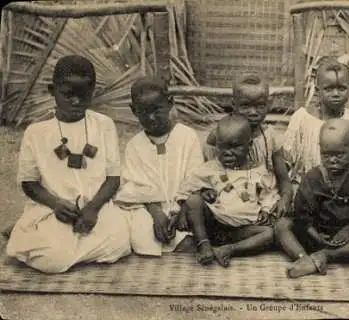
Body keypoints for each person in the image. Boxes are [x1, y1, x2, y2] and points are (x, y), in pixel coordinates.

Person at [6, 55, 131, 273]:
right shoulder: (36, 132)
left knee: (120, 242)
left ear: (93, 91)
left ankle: (65, 250)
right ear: (52, 90)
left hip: (96, 207)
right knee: (54, 258)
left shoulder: (104, 125)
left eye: (83, 95)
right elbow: (29, 183)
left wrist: (92, 209)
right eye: (68, 95)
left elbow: (113, 178)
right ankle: (62, 248)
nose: (76, 101)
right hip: (54, 209)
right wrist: (56, 204)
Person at [274, 119, 349, 278]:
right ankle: (304, 258)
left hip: (346, 240)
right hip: (314, 235)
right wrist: (314, 234)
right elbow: (302, 217)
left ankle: (327, 256)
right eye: (326, 154)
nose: (332, 160)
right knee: (281, 225)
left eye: (339, 154)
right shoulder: (312, 178)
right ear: (320, 150)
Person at [114, 76, 204, 256]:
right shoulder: (134, 145)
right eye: (143, 112)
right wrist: (157, 214)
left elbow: (196, 179)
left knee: (196, 223)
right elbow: (134, 187)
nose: (151, 117)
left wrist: (182, 211)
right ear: (133, 110)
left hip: (184, 207)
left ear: (170, 103)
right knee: (142, 240)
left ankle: (187, 239)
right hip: (150, 208)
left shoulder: (187, 136)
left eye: (157, 109)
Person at [176, 115, 279, 267]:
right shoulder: (210, 169)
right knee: (193, 201)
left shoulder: (258, 171)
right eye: (222, 147)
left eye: (235, 147)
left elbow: (269, 193)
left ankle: (229, 249)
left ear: (248, 145)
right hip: (216, 225)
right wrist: (190, 202)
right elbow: (186, 188)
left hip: (243, 230)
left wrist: (265, 210)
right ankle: (204, 245)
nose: (227, 152)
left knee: (269, 233)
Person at [204, 74, 293, 217]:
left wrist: (285, 199)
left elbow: (283, 180)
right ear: (233, 104)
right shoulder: (219, 136)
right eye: (245, 106)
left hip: (266, 200)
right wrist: (206, 190)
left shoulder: (270, 136)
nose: (253, 112)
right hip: (231, 202)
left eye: (260, 106)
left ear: (268, 104)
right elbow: (206, 174)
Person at [281, 57, 349, 183]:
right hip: (305, 188)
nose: (335, 94)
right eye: (329, 89)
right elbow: (286, 160)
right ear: (318, 91)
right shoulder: (302, 119)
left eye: (341, 88)